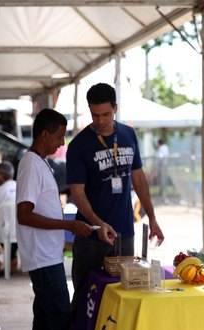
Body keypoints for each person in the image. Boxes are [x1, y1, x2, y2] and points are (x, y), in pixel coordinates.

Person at [16, 108, 116, 330]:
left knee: (43, 320)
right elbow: (24, 214)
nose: (62, 143)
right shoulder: (31, 165)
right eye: (59, 136)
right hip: (43, 259)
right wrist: (68, 226)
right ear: (44, 135)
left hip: (47, 255)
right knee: (61, 321)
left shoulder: (40, 162)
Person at [66, 82, 165, 314]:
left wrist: (153, 218)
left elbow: (139, 179)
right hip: (90, 234)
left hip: (124, 234)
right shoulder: (80, 145)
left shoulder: (128, 135)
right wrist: (98, 224)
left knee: (124, 295)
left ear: (116, 108)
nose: (100, 121)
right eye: (95, 115)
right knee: (84, 298)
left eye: (106, 114)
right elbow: (77, 193)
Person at [0, 161, 18, 272]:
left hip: (6, 233)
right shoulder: (21, 187)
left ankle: (5, 263)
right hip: (24, 231)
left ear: (0, 176)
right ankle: (11, 262)